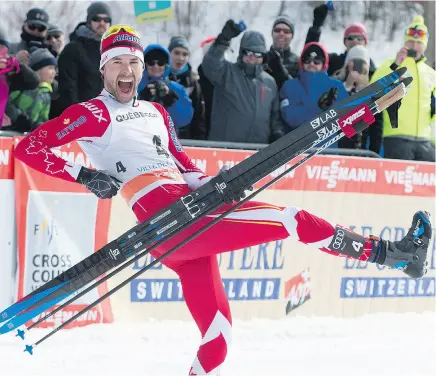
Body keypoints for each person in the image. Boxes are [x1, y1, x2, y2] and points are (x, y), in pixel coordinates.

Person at [13, 25, 432, 376]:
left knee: (218, 338)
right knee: (293, 219)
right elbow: (29, 148)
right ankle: (393, 255)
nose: (127, 70)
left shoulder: (156, 113)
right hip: (165, 220)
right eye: (118, 62)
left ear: (141, 69)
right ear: (104, 69)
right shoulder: (92, 113)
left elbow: (185, 167)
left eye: (134, 62)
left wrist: (223, 185)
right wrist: (85, 174)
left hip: (187, 217)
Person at [370, 16, 436, 161]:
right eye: (411, 41)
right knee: (399, 182)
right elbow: (373, 88)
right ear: (405, 43)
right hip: (397, 137)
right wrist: (395, 65)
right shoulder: (392, 65)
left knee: (428, 182)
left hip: (425, 140)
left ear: (424, 46)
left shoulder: (431, 73)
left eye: (419, 43)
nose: (414, 46)